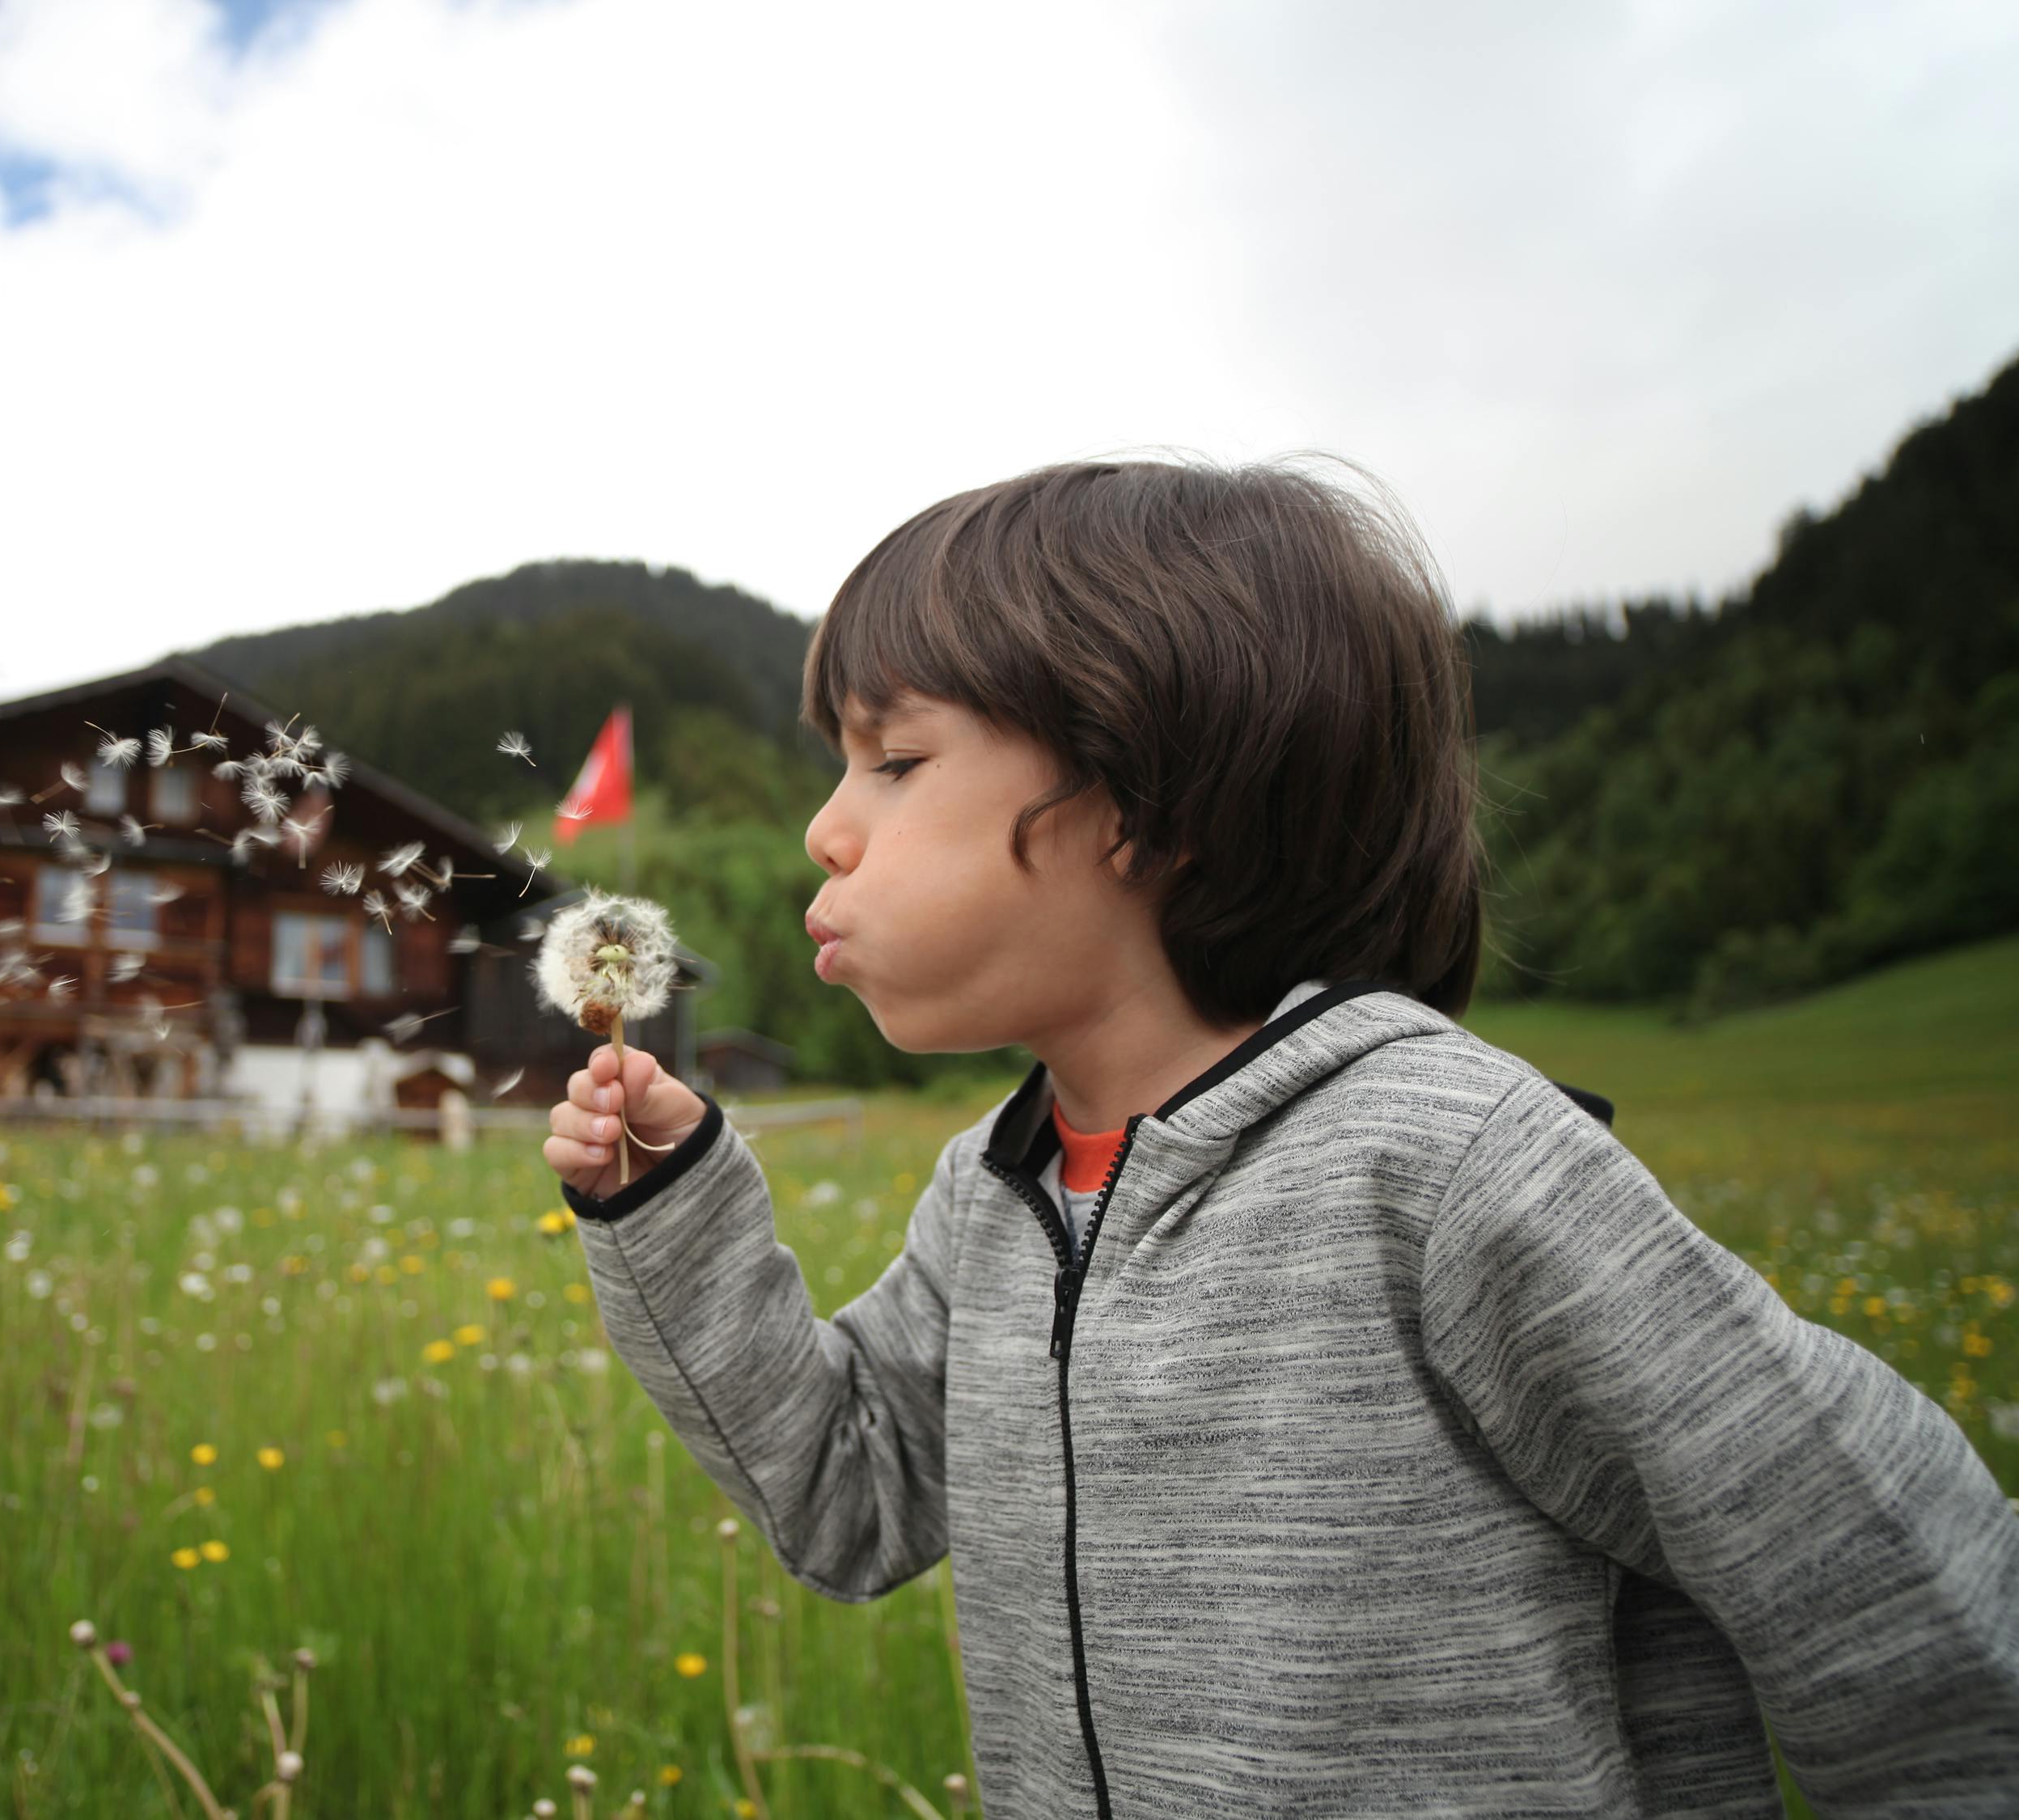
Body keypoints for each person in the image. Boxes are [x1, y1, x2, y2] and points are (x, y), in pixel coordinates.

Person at [540, 458, 2019, 1818]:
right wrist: (669, 1205)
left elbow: (1889, 1580)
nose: (827, 829)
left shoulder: (1446, 1165)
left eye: (896, 761)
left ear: (1142, 798)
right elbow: (844, 1496)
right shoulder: (995, 1193)